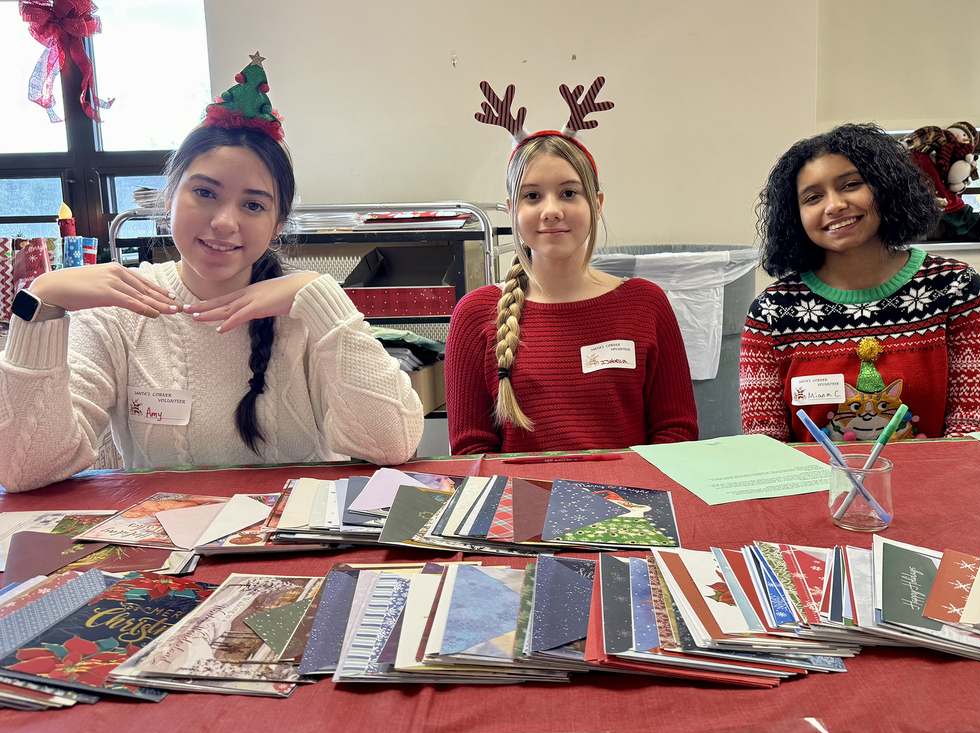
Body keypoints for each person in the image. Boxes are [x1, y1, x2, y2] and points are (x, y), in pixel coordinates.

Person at [0, 54, 423, 492]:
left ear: (278, 226)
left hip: (291, 546)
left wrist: (325, 297)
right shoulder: (119, 310)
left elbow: (392, 445)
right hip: (165, 546)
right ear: (169, 200)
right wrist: (40, 304)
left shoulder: (304, 312)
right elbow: (26, 470)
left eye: (254, 204)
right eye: (205, 192)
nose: (224, 221)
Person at [445, 79, 698, 455]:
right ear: (512, 210)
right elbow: (472, 455)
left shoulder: (646, 304)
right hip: (523, 511)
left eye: (568, 192)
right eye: (532, 196)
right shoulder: (475, 315)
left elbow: (676, 434)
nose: (551, 210)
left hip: (630, 509)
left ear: (596, 203)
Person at [740, 123, 980, 443]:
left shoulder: (956, 288)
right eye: (813, 197)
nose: (833, 205)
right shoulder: (772, 311)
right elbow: (764, 443)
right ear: (795, 216)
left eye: (850, 185)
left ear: (885, 188)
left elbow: (972, 428)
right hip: (819, 490)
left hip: (933, 485)